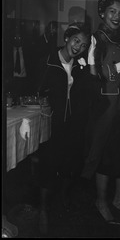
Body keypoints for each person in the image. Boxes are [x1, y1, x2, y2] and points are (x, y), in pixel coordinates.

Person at [81, 0, 120, 224]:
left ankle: (119, 199)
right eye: (112, 11)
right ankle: (102, 202)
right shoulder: (96, 38)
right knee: (105, 158)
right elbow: (92, 75)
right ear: (102, 13)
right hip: (105, 108)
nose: (117, 16)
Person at [37, 22, 92, 234]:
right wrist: (44, 102)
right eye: (76, 40)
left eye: (84, 44)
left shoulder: (81, 66)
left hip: (73, 124)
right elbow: (35, 89)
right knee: (49, 165)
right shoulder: (49, 61)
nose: (78, 46)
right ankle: (42, 209)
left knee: (71, 163)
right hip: (52, 123)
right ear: (67, 38)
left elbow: (88, 92)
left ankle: (63, 197)